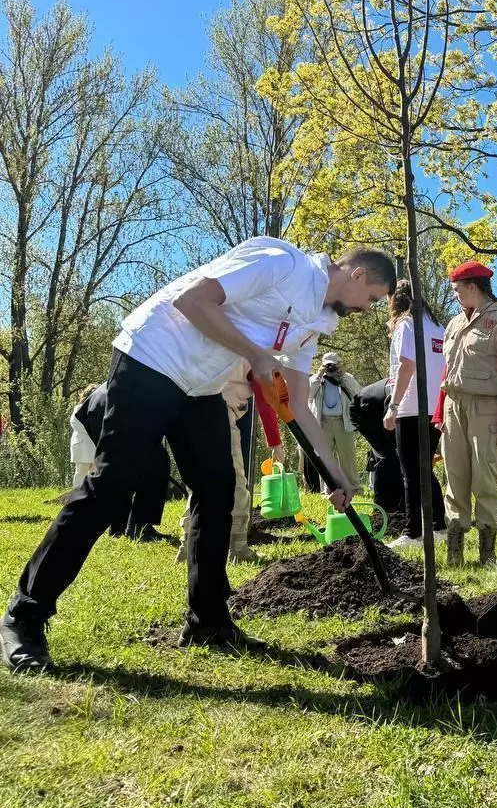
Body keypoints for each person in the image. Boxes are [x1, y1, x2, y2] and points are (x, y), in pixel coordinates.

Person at [0, 237, 393, 674]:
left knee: (218, 490)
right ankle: (24, 616)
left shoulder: (316, 322)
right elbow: (193, 300)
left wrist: (335, 473)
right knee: (112, 487)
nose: (368, 309)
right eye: (373, 299)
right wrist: (255, 353)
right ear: (356, 274)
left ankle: (208, 621)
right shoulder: (282, 264)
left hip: (202, 386)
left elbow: (298, 405)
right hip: (153, 358)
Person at [433, 261, 497, 568]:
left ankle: (487, 551)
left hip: (488, 408)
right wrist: (439, 414)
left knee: (485, 476)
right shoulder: (454, 324)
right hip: (453, 406)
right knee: (455, 476)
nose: (456, 295)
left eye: (458, 290)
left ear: (473, 288)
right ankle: (455, 549)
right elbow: (448, 371)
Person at [177, 374, 286, 565]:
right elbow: (264, 397)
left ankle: (187, 547)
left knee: (198, 484)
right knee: (235, 483)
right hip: (220, 413)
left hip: (189, 411)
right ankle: (238, 548)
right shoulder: (253, 350)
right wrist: (275, 442)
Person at [383, 279, 447, 550]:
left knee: (410, 470)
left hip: (410, 406)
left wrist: (393, 405)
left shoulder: (405, 325)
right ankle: (440, 525)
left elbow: (405, 365)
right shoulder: (437, 327)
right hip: (434, 406)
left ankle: (413, 532)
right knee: (424, 468)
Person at [68, 382, 171, 541]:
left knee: (122, 467)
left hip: (99, 405)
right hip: (113, 406)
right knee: (156, 465)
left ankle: (119, 527)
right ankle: (140, 527)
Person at [349, 378, 404, 518]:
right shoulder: (408, 387)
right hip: (365, 409)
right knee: (386, 456)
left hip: (380, 407)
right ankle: (382, 509)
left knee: (397, 456)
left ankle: (398, 505)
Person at [308, 353, 362, 488]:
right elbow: (308, 395)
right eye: (328, 365)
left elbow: (358, 393)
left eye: (333, 364)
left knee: (347, 457)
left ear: (339, 364)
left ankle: (354, 487)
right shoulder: (316, 379)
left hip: (343, 422)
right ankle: (329, 489)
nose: (330, 368)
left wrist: (342, 376)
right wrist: (319, 375)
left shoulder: (346, 377)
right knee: (326, 458)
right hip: (323, 423)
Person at [69, 385, 99, 490]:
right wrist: (93, 430)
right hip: (82, 445)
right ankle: (76, 498)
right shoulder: (79, 408)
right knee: (81, 472)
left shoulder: (97, 409)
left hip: (94, 446)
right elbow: (76, 424)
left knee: (94, 472)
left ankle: (92, 498)